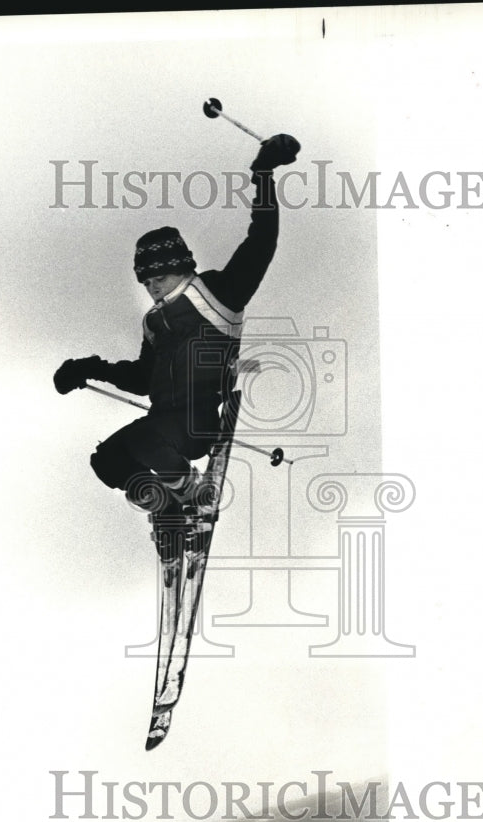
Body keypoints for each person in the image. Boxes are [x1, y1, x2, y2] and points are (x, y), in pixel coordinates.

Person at [53, 134, 299, 560]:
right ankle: (166, 509)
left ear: (181, 268)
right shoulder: (153, 324)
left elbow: (261, 242)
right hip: (165, 420)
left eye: (158, 279)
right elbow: (142, 379)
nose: (151, 289)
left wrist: (263, 174)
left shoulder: (218, 292)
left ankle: (193, 495)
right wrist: (87, 368)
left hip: (198, 418)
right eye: (145, 283)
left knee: (149, 442)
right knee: (107, 460)